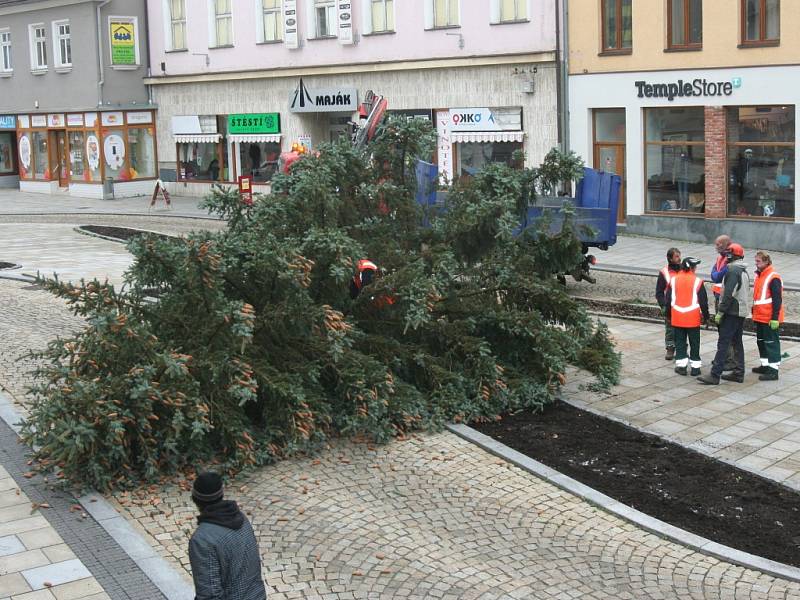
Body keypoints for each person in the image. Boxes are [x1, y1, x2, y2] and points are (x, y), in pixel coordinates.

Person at [188, 472, 267, 600]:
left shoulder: (202, 540)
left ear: (195, 500)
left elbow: (209, 594)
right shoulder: (242, 518)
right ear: (221, 495)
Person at [698, 243, 750, 385]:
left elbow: (728, 294)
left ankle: (715, 374)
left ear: (732, 255)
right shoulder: (742, 270)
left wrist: (720, 312)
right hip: (739, 312)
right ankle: (739, 373)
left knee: (724, 342)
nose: (726, 257)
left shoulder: (733, 271)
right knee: (737, 342)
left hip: (732, 312)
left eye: (728, 254)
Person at [667, 257, 709, 377]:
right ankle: (695, 368)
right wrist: (706, 317)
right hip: (692, 318)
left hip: (677, 317)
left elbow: (668, 300)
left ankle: (682, 367)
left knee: (680, 342)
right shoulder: (697, 281)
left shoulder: (673, 280)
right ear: (692, 268)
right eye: (695, 267)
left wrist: (668, 315)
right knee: (694, 343)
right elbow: (703, 302)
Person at [752, 251, 784, 381]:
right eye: (756, 261)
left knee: (771, 342)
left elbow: (777, 299)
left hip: (769, 317)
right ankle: (765, 365)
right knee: (761, 342)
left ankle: (773, 370)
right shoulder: (760, 275)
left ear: (766, 262)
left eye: (758, 261)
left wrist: (775, 318)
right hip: (760, 316)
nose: (756, 263)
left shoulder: (773, 277)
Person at [711, 235, 738, 372]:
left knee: (726, 331)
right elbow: (713, 275)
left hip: (725, 300)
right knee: (721, 330)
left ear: (726, 245)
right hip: (718, 297)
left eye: (718, 245)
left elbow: (718, 275)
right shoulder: (720, 258)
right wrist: (717, 273)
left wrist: (717, 273)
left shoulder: (730, 259)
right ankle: (722, 356)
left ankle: (729, 360)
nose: (716, 247)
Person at [655, 248, 682, 361]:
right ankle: (670, 348)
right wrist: (663, 306)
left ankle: (681, 349)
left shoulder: (684, 270)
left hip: (682, 304)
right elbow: (659, 292)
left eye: (679, 255)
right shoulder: (664, 273)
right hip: (670, 305)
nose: (679, 258)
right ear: (670, 258)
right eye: (676, 256)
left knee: (681, 329)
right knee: (670, 328)